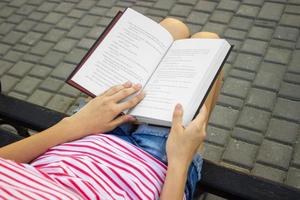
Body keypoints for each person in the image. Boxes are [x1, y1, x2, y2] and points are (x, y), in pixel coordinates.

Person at [0, 18, 222, 200]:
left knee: (172, 28)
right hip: (157, 164)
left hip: (82, 136)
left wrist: (74, 125)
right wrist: (180, 161)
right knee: (208, 44)